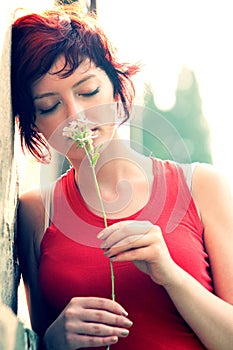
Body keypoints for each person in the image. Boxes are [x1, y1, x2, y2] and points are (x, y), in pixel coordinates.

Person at [11, 3, 233, 350]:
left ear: (117, 92)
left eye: (87, 92)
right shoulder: (36, 211)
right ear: (35, 124)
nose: (76, 116)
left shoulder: (203, 187)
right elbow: (41, 333)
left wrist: (170, 275)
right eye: (49, 106)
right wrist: (52, 340)